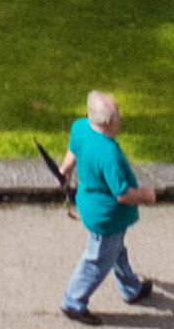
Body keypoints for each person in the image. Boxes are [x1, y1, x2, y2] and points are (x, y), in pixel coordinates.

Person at [55, 83, 154, 317]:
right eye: (118, 114)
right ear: (109, 122)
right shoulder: (108, 153)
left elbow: (73, 150)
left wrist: (63, 170)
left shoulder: (80, 127)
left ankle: (131, 288)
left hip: (91, 206)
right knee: (97, 260)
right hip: (106, 218)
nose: (121, 118)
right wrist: (148, 195)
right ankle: (72, 302)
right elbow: (123, 194)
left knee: (115, 250)